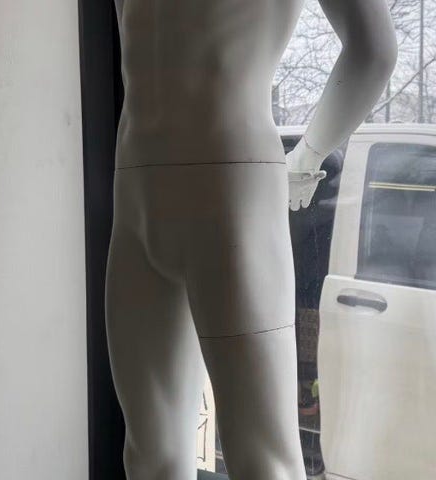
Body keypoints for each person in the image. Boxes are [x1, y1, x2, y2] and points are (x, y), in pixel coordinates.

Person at [105, 1, 398, 478]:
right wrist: (306, 156)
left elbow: (374, 48)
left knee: (262, 459)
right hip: (137, 193)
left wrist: (309, 154)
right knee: (149, 454)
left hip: (228, 187)